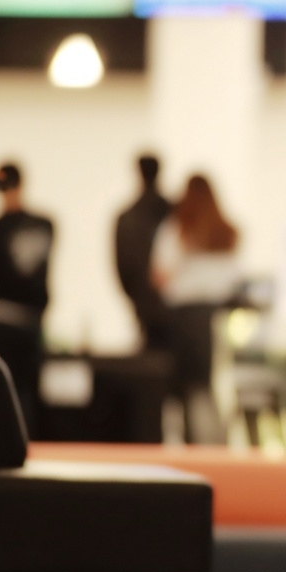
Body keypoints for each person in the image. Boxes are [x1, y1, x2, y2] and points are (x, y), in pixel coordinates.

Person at [152, 174, 241, 445]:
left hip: (184, 317)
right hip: (215, 317)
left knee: (183, 389)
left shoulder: (176, 229)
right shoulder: (224, 232)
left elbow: (160, 275)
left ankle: (190, 443)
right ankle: (210, 444)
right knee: (206, 387)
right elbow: (235, 277)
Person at [0, 162, 54, 437]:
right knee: (20, 394)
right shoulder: (43, 226)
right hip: (17, 321)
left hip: (8, 323)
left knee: (9, 392)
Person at [115, 153, 175, 351]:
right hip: (167, 304)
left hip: (145, 301)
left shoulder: (128, 217)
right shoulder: (174, 212)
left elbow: (122, 266)